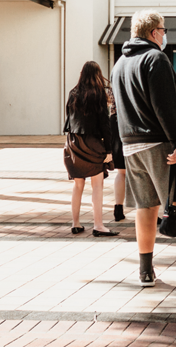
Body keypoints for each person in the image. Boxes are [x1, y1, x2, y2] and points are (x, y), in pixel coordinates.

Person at [111, 10, 176, 287]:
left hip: (131, 145)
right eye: (163, 28)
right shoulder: (155, 59)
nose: (165, 33)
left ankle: (146, 270)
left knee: (146, 207)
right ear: (153, 32)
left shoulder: (120, 63)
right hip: (161, 143)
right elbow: (166, 106)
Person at [64, 61, 119, 237]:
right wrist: (109, 151)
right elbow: (105, 125)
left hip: (73, 142)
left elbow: (69, 118)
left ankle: (75, 223)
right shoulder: (99, 95)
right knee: (97, 185)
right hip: (92, 142)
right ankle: (99, 225)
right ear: (97, 75)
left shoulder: (73, 93)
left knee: (78, 184)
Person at [107, 88, 128, 222]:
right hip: (132, 124)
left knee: (121, 173)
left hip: (115, 126)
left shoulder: (113, 85)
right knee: (142, 174)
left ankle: (118, 208)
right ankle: (147, 209)